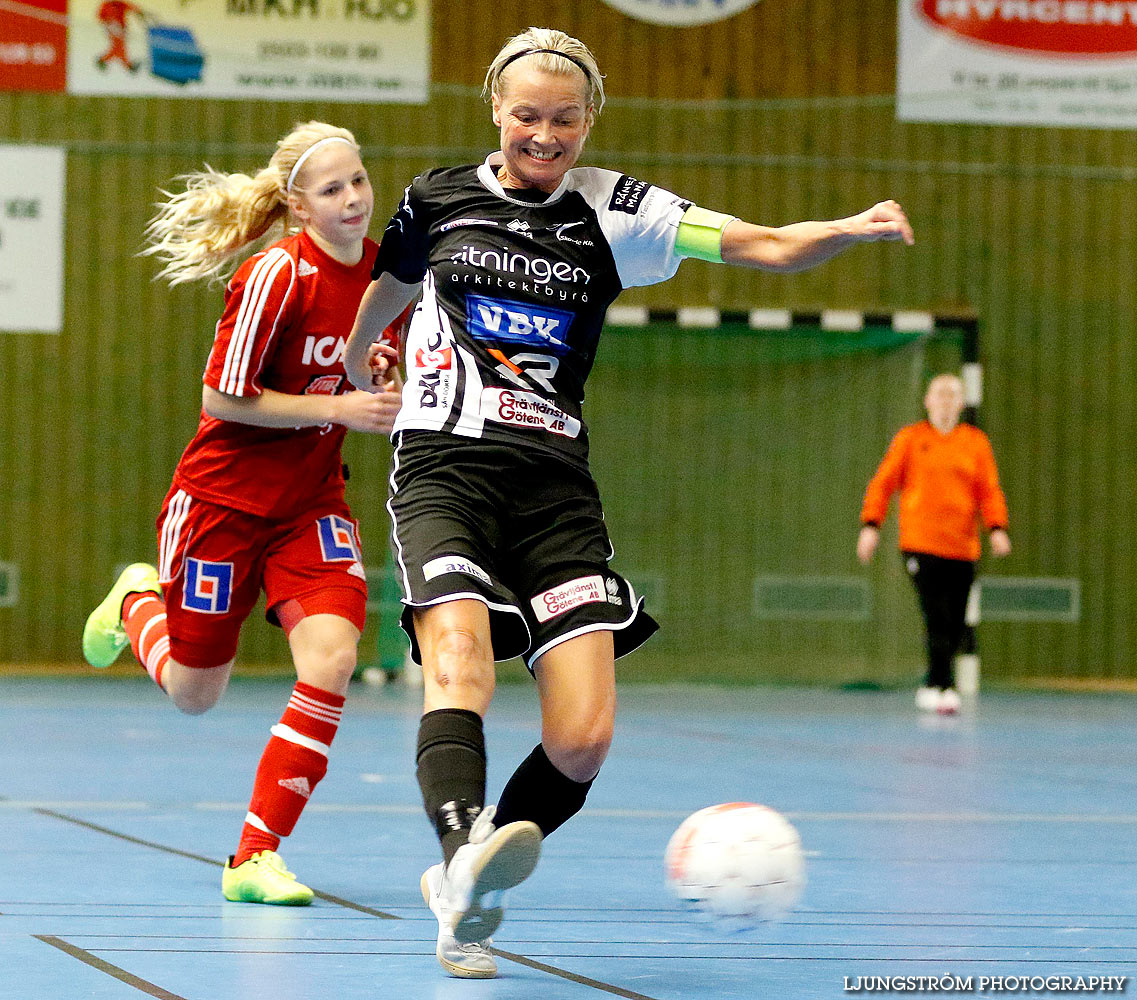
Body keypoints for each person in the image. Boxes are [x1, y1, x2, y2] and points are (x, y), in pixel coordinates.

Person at [343, 26, 914, 979]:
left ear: (589, 120)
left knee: (582, 737)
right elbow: (392, 279)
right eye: (526, 115)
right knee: (460, 664)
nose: (543, 134)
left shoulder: (619, 211)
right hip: (444, 464)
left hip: (553, 486)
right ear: (495, 108)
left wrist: (844, 230)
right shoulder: (435, 196)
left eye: (564, 119)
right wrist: (368, 348)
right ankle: (459, 874)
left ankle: (471, 873)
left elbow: (762, 245)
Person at [81, 121, 406, 906]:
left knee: (330, 659)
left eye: (359, 180)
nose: (355, 199)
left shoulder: (387, 279)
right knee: (197, 694)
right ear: (297, 205)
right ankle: (136, 599)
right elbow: (223, 397)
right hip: (221, 504)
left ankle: (254, 856)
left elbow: (361, 364)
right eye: (332, 189)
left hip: (310, 504)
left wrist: (380, 372)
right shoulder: (274, 275)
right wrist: (344, 406)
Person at [857, 373, 1011, 715]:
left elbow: (988, 490)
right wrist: (871, 525)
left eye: (953, 394)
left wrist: (997, 528)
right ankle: (942, 685)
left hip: (962, 547)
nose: (945, 400)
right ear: (927, 400)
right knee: (936, 615)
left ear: (961, 402)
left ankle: (936, 682)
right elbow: (882, 484)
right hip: (921, 544)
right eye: (939, 394)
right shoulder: (910, 440)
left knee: (956, 620)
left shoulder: (975, 443)